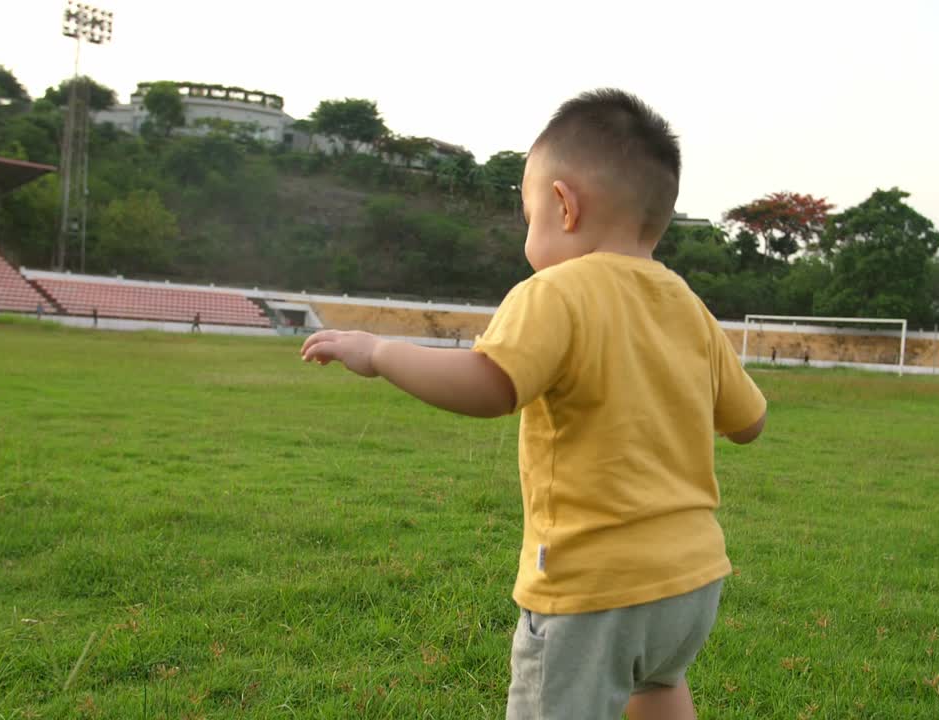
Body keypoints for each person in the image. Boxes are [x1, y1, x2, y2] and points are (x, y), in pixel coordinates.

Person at [301, 88, 767, 720]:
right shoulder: (689, 305)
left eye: (529, 216)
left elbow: (490, 383)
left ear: (563, 205)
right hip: (691, 580)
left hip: (592, 585)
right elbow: (750, 421)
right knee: (656, 687)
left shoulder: (556, 291)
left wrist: (382, 354)